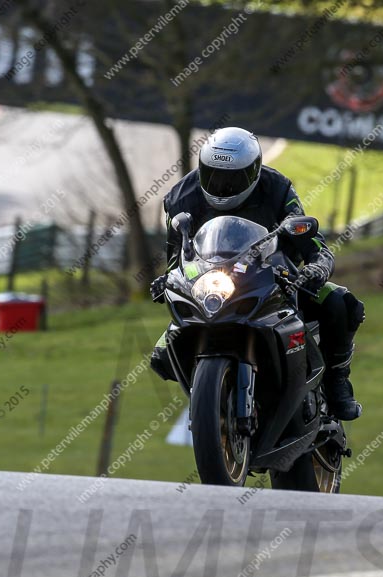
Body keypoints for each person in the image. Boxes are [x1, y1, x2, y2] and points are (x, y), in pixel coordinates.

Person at [150, 126, 364, 420]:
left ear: (254, 172)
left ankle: (338, 381)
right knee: (161, 354)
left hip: (274, 278)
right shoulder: (180, 197)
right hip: (210, 286)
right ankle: (210, 402)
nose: (222, 186)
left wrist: (316, 268)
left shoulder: (277, 188)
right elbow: (177, 256)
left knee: (339, 302)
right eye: (213, 175)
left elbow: (314, 245)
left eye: (232, 178)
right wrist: (167, 279)